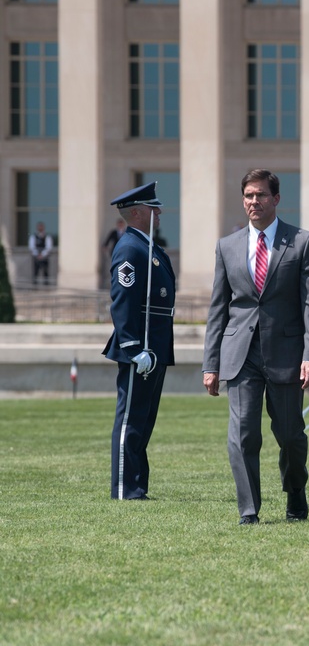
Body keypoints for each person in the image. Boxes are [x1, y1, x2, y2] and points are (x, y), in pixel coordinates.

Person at [202, 169, 309, 525]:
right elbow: (218, 308)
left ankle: (295, 491)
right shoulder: (227, 246)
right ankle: (249, 509)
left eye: (260, 195)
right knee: (242, 434)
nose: (254, 202)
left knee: (290, 436)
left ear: (276, 199)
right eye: (248, 196)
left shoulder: (301, 242)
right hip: (241, 356)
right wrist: (211, 364)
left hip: (286, 354)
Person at [103, 182, 175, 500]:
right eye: (152, 208)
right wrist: (133, 347)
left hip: (154, 347)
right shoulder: (130, 248)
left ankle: (137, 485)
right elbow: (123, 300)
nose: (158, 213)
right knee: (131, 419)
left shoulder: (146, 246)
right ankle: (125, 489)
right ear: (136, 212)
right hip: (141, 348)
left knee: (143, 421)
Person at [29, 221, 53, 286]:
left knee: (46, 272)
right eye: (39, 227)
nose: (40, 228)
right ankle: (34, 287)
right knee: (35, 272)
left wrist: (42, 255)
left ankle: (46, 287)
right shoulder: (33, 236)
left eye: (41, 227)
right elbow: (32, 247)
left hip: (45, 258)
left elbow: (49, 247)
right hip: (36, 257)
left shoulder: (47, 236)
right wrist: (37, 254)